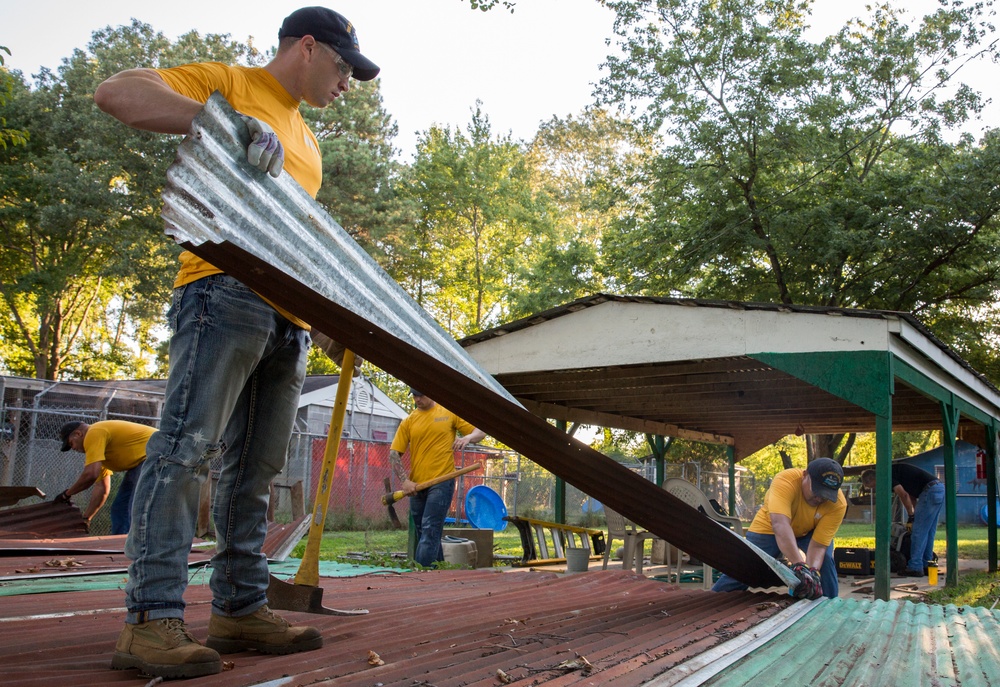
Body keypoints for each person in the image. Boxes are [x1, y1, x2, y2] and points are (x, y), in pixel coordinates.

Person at [93, 7, 379, 679]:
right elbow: (115, 93)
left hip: (288, 321)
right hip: (221, 294)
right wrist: (216, 122)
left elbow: (300, 238)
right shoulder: (229, 84)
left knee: (255, 472)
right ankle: (152, 620)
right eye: (342, 68)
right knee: (185, 450)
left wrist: (332, 317)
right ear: (306, 47)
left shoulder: (308, 143)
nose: (346, 84)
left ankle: (240, 607)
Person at [712, 457, 847, 599]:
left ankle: (829, 606)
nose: (820, 498)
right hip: (770, 527)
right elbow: (780, 524)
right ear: (805, 475)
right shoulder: (785, 481)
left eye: (826, 495)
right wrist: (799, 565)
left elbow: (819, 546)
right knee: (746, 566)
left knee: (825, 562)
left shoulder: (838, 505)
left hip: (809, 530)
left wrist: (812, 572)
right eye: (817, 491)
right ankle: (713, 600)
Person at [389, 389, 486, 567]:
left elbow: (480, 433)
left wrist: (468, 437)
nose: (417, 399)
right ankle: (439, 569)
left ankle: (421, 573)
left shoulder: (448, 413)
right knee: (424, 532)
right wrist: (405, 481)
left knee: (429, 528)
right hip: (417, 485)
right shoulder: (409, 421)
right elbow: (394, 454)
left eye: (421, 395)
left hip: (442, 482)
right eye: (414, 395)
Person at [55, 420, 155, 534]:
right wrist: (86, 518)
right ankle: (120, 546)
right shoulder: (98, 450)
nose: (72, 448)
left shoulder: (94, 433)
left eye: (70, 443)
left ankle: (141, 548)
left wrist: (66, 494)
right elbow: (102, 489)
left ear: (78, 434)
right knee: (120, 508)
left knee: (136, 508)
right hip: (141, 464)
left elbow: (90, 475)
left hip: (158, 456)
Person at [861, 463, 944, 576]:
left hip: (929, 491)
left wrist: (911, 515)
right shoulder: (898, 472)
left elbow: (903, 495)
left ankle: (915, 566)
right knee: (928, 531)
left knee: (918, 532)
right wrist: (914, 514)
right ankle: (926, 565)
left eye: (873, 486)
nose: (875, 489)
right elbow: (911, 496)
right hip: (938, 488)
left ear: (872, 479)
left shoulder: (886, 475)